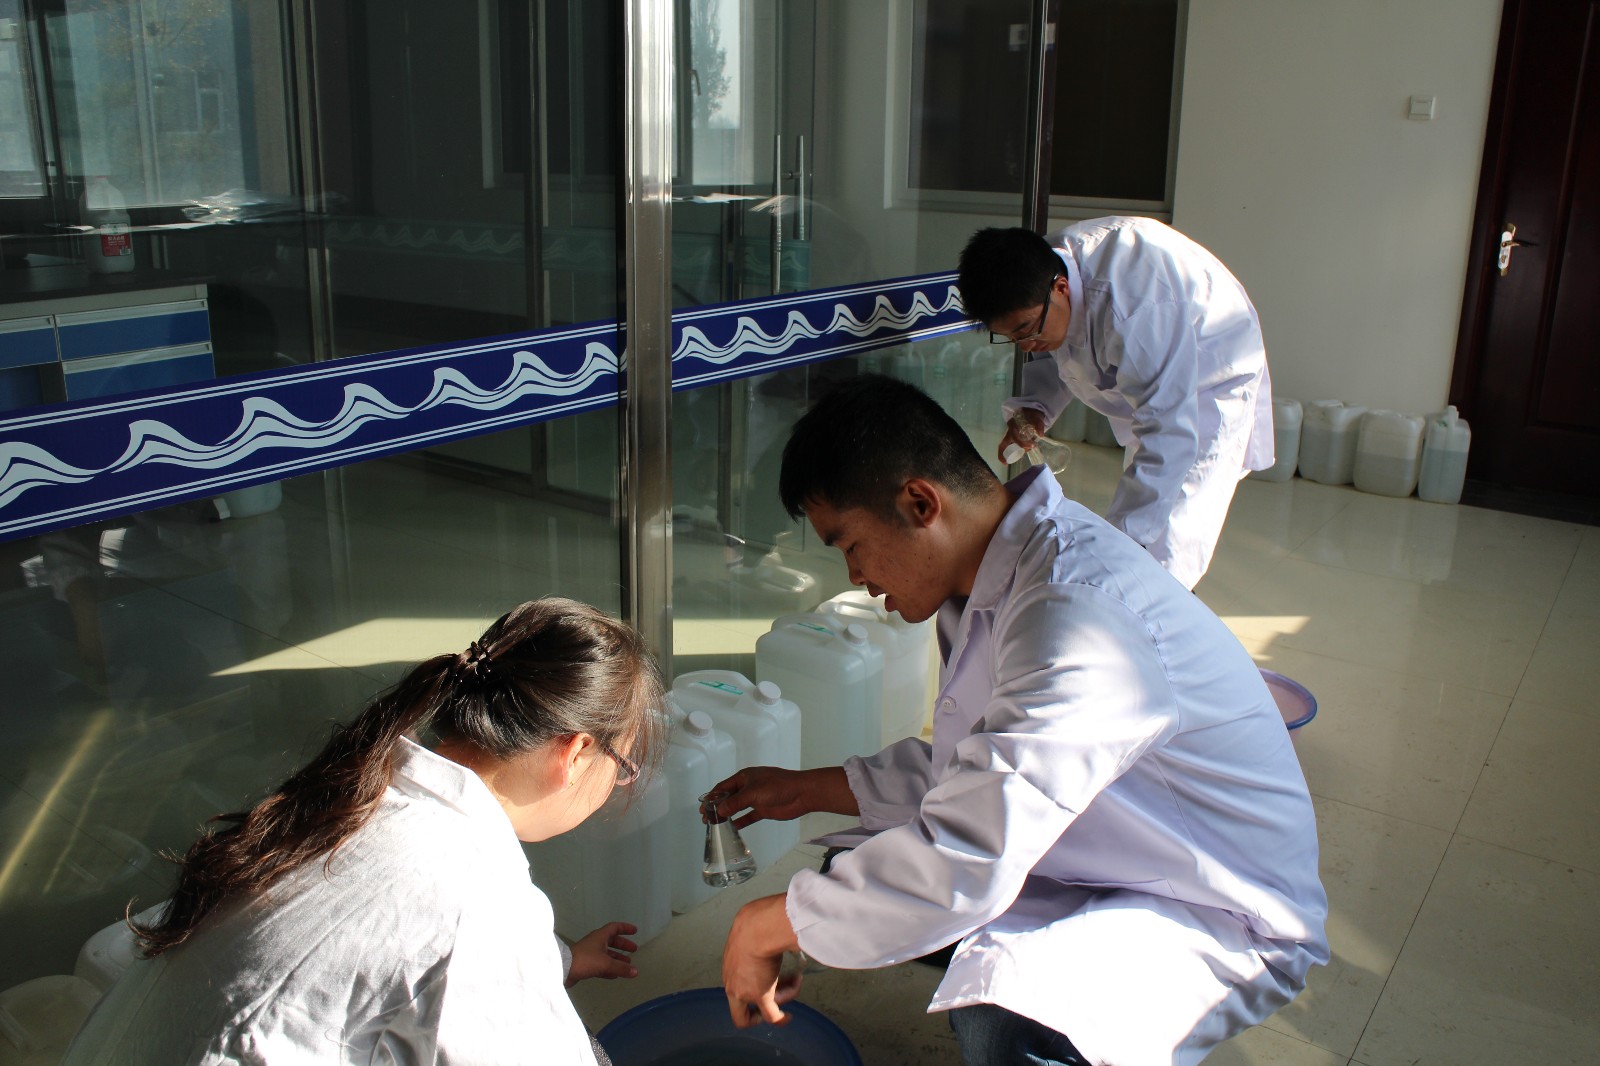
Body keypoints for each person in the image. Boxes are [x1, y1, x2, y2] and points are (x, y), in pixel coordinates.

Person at [711, 376, 1327, 1066]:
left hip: (1215, 905)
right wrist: (807, 788)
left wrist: (765, 926)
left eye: (849, 545)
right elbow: (976, 768)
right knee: (853, 872)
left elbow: (972, 846)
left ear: (921, 503)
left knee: (1002, 1022)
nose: (854, 575)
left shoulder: (1077, 615)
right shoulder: (991, 580)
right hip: (1106, 847)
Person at [63, 597, 665, 1066]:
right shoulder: (477, 900)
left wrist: (555, 961)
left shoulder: (354, 796)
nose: (617, 784)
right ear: (574, 753)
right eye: (623, 766)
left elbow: (386, 947)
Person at [958, 219, 1274, 589]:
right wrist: (1035, 407)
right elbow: (1053, 347)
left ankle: (1157, 605)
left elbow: (1169, 435)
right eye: (1011, 337)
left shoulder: (1134, 306)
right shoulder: (1035, 274)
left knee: (1172, 538)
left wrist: (1118, 546)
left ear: (1061, 289)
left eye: (1026, 330)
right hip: (1160, 380)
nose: (1025, 344)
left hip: (1211, 375)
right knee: (1141, 518)